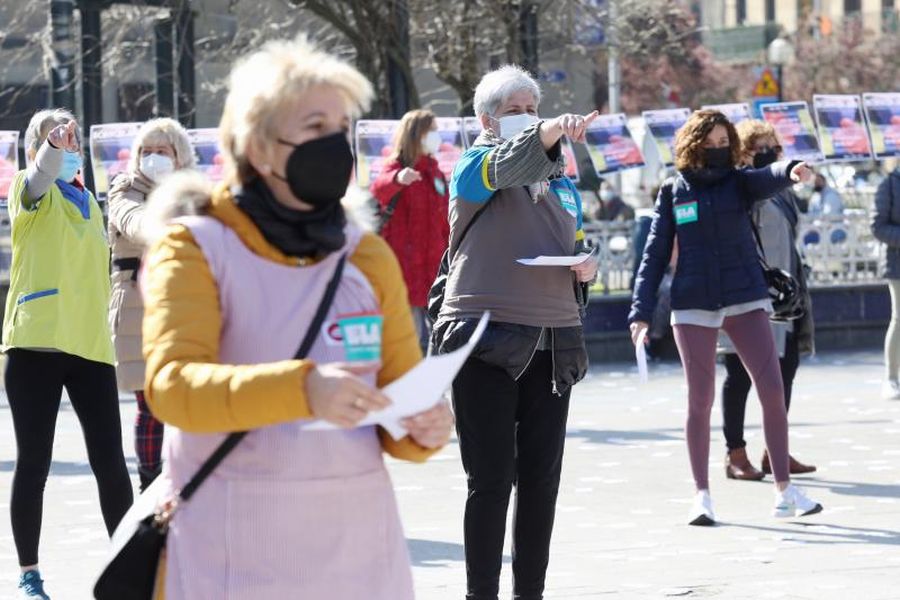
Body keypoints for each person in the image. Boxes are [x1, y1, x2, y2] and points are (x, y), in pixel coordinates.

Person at [140, 38, 453, 599]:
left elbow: (398, 394)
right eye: (314, 127)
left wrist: (423, 427)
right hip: (231, 553)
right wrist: (302, 387)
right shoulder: (193, 247)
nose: (333, 143)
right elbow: (173, 387)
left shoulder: (365, 255)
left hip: (360, 556)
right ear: (259, 147)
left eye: (340, 127)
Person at [430, 65, 599, 600]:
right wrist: (545, 132)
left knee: (541, 483)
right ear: (486, 119)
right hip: (485, 335)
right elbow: (504, 166)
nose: (528, 118)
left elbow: (571, 236)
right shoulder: (475, 163)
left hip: (554, 338)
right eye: (516, 110)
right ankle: (481, 593)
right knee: (491, 480)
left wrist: (584, 267)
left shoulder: (560, 181)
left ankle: (531, 592)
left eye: (533, 108)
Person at [629, 109, 822, 527]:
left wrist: (791, 169)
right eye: (709, 143)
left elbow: (768, 175)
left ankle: (785, 492)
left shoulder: (739, 182)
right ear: (692, 144)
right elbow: (654, 255)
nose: (717, 150)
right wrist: (640, 313)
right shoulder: (673, 191)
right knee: (699, 400)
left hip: (745, 298)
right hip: (693, 304)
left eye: (723, 143)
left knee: (772, 388)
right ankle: (702, 496)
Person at [2, 109, 134, 599]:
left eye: (71, 135)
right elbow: (40, 175)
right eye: (55, 137)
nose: (66, 142)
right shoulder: (27, 189)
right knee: (35, 462)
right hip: (37, 342)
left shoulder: (90, 202)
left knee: (110, 463)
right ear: (39, 146)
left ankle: (127, 568)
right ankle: (30, 574)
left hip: (89, 346)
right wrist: (51, 150)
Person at [719, 120, 816, 481]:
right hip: (747, 296)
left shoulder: (785, 191)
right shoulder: (742, 189)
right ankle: (735, 453)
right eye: (761, 148)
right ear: (744, 151)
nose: (771, 154)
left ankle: (774, 451)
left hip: (785, 298)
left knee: (785, 372)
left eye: (774, 148)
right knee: (740, 377)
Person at [107, 117, 196, 492]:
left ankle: (190, 480)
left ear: (179, 156)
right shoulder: (125, 189)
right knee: (151, 402)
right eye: (147, 151)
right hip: (137, 306)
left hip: (187, 305)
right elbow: (136, 224)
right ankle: (150, 483)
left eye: (163, 151)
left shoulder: (195, 192)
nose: (154, 158)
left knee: (192, 396)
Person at [370, 109, 449, 350]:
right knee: (411, 342)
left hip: (435, 270)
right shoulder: (395, 167)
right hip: (405, 271)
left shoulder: (434, 171)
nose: (437, 136)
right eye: (432, 130)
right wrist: (397, 179)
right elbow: (378, 190)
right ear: (417, 134)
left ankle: (435, 387)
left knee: (440, 340)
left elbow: (444, 219)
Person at [871, 162, 900, 400]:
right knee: (899, 319)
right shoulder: (888, 185)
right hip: (897, 263)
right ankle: (891, 378)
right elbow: (877, 227)